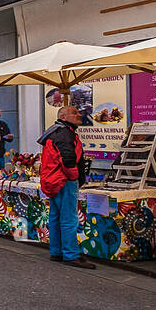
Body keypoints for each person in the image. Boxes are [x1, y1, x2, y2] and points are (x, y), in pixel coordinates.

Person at [40, 104, 94, 268]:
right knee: (69, 218)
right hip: (63, 180)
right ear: (63, 117)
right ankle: (71, 255)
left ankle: (57, 252)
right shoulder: (65, 134)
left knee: (55, 217)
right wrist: (75, 177)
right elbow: (68, 159)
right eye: (74, 113)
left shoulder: (55, 132)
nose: (79, 115)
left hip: (52, 180)